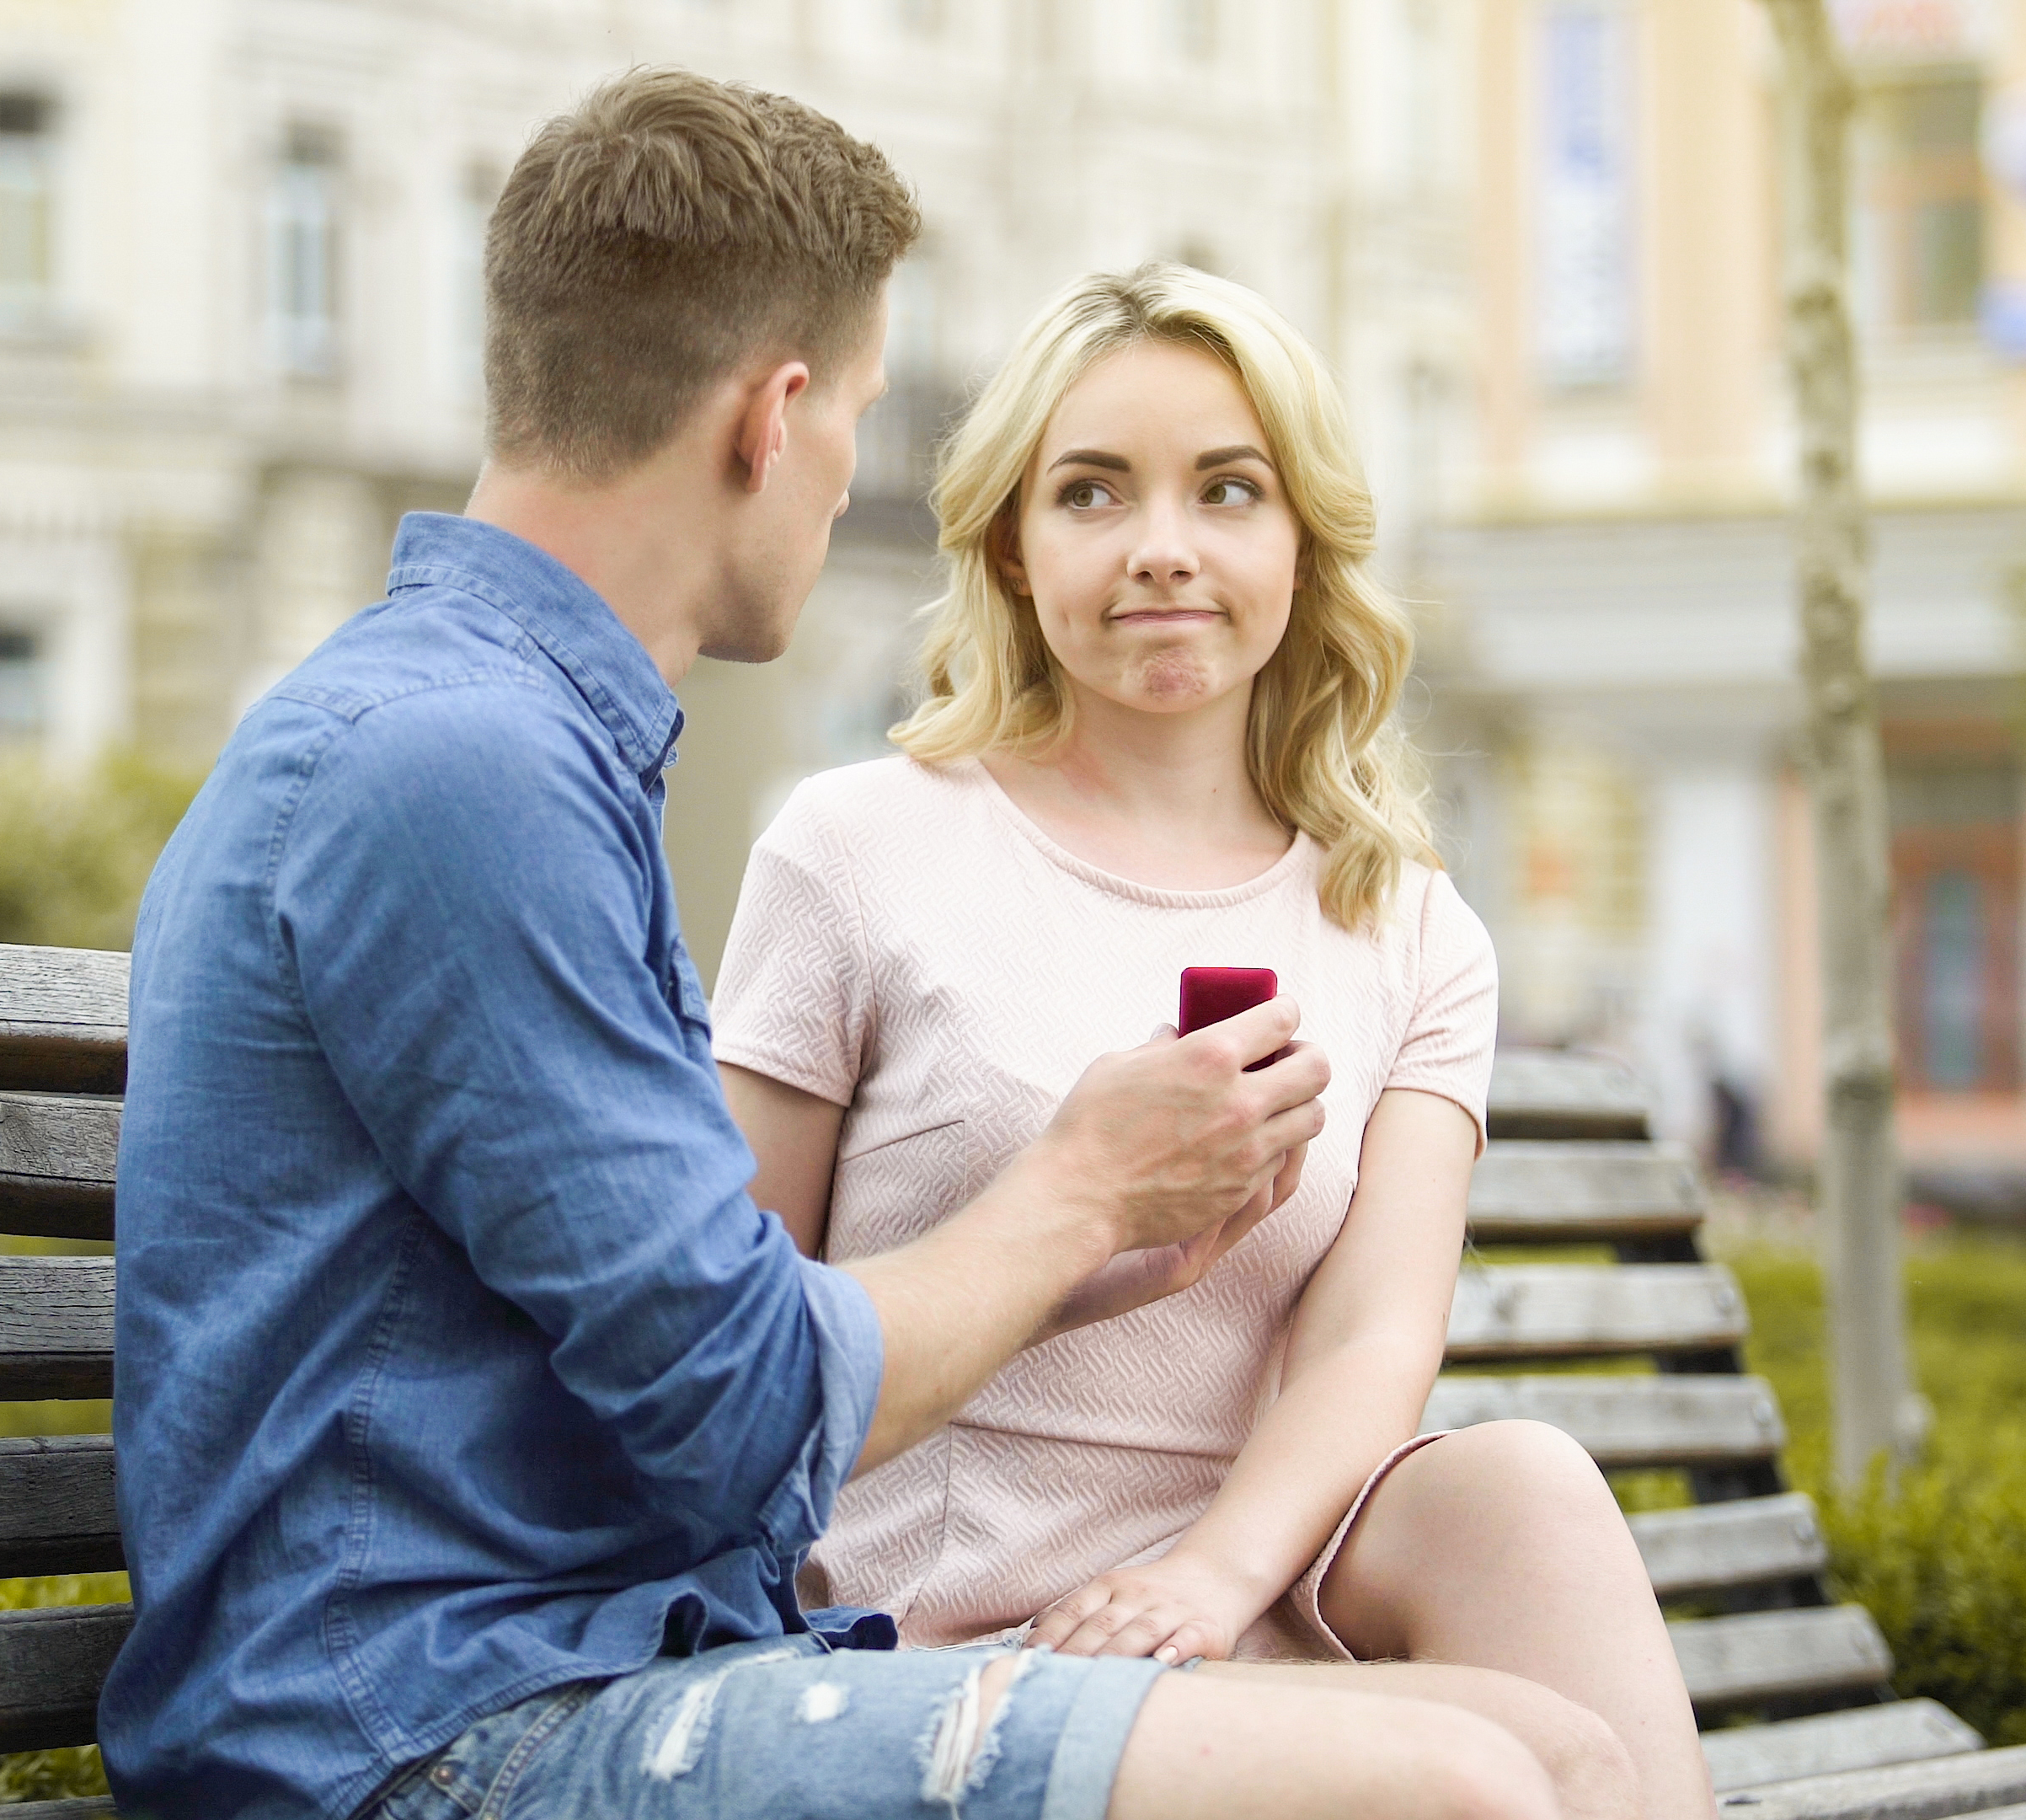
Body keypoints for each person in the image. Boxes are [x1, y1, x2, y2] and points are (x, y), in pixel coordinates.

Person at [104, 68, 1636, 1820]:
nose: (844, 483)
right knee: (1463, 1791)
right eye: (860, 423)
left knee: (1562, 1757)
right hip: (427, 1734)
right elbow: (738, 1411)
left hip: (566, 1668)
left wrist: (1080, 1268)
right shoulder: (458, 769)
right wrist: (1075, 1198)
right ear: (774, 418)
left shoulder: (494, 744)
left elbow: (698, 1349)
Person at [709, 264, 1713, 1820]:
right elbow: (734, 1330)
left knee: (1527, 1485)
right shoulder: (858, 850)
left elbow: (1377, 1332)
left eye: (1226, 491)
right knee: (1558, 1770)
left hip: (1251, 1595)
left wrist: (1212, 1576)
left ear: (1299, 540)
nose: (1162, 550)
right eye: (1095, 494)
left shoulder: (1411, 924)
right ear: (1012, 545)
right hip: (951, 1633)